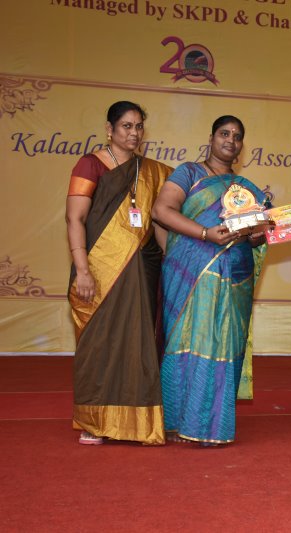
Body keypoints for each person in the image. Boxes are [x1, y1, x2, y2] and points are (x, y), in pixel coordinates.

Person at [152, 115, 268, 446]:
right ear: (212, 137)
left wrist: (262, 231)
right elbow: (162, 210)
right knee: (188, 342)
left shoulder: (247, 189)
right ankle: (179, 422)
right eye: (224, 133)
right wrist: (205, 233)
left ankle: (213, 426)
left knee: (225, 345)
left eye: (237, 136)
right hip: (191, 274)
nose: (231, 140)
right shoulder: (188, 173)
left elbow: (258, 236)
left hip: (235, 277)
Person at [66, 101, 172, 445]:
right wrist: (82, 270)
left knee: (140, 342)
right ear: (109, 129)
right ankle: (95, 422)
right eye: (127, 126)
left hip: (143, 269)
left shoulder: (153, 171)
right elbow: (75, 218)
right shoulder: (90, 164)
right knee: (99, 343)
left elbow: (163, 218)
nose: (134, 133)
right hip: (99, 269)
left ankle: (139, 423)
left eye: (139, 126)